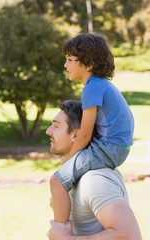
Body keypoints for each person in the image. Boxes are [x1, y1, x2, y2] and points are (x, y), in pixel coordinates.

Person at [50, 33, 134, 224]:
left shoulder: (92, 88)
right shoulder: (100, 85)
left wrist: (68, 160)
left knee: (57, 181)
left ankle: (60, 230)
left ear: (87, 65)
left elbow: (85, 134)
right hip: (114, 147)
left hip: (108, 148)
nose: (66, 65)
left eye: (71, 60)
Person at [46, 100, 141, 239]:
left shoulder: (93, 180)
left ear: (75, 135)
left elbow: (128, 234)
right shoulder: (72, 176)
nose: (48, 131)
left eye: (56, 126)